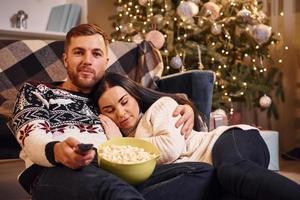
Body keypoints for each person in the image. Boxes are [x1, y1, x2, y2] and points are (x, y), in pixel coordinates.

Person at [10, 24, 217, 200]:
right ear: (65, 59)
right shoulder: (37, 91)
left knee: (201, 172)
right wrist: (57, 152)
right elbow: (32, 138)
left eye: (96, 53)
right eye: (79, 52)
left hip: (121, 173)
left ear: (106, 62)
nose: (87, 60)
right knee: (114, 190)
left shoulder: (109, 99)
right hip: (57, 171)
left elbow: (151, 104)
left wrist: (186, 108)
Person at [94, 72, 300, 200]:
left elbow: (171, 147)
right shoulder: (110, 138)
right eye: (109, 110)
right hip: (210, 172)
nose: (120, 113)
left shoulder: (159, 107)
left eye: (124, 102)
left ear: (135, 96)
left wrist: (119, 145)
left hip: (227, 141)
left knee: (232, 171)